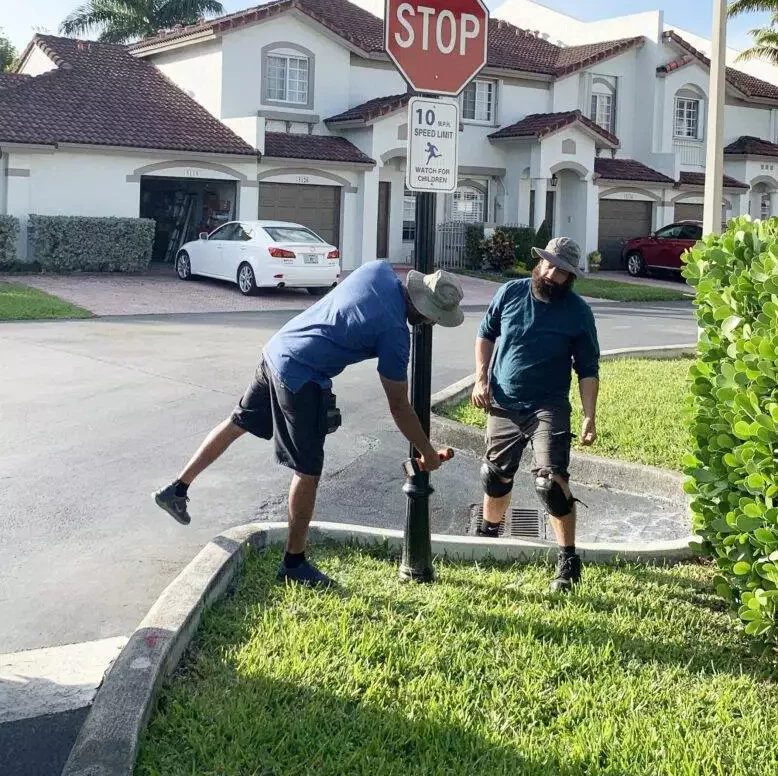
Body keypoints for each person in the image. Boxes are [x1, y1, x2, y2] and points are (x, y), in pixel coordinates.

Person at [154, 261, 464, 587]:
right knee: (308, 470)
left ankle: (176, 489)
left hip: (278, 350)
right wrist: (427, 452)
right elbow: (400, 406)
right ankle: (294, 563)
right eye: (433, 318)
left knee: (237, 422)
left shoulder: (380, 271)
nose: (431, 324)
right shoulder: (396, 336)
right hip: (301, 377)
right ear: (424, 311)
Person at [471, 237, 599, 592]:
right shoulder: (510, 293)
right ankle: (488, 538)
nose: (550, 272)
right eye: (547, 264)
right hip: (504, 402)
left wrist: (590, 415)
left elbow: (588, 368)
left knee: (551, 482)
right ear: (539, 262)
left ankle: (568, 559)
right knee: (494, 476)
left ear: (570, 277)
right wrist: (481, 379)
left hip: (549, 405)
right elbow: (485, 335)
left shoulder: (577, 311)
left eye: (560, 270)